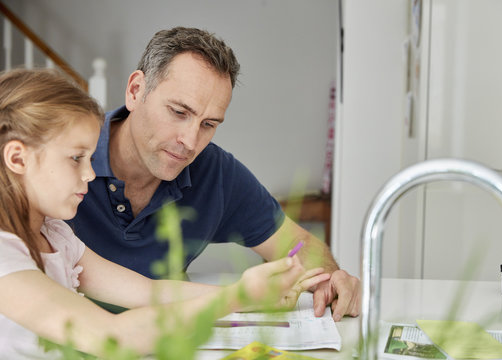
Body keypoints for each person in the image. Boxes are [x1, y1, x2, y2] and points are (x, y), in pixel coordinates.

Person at [0, 68, 330, 358]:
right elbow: (109, 336)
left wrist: (254, 294)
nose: (89, 174)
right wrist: (238, 295)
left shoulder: (56, 234)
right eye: (76, 159)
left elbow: (148, 292)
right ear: (17, 159)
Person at [68, 26, 360, 322]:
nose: (191, 142)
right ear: (135, 91)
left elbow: (297, 245)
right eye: (179, 112)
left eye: (208, 124)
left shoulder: (215, 172)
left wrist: (330, 278)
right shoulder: (64, 158)